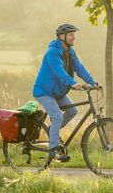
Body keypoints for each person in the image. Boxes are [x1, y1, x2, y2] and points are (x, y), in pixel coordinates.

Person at [33, 24, 98, 162]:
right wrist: (73, 84)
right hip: (44, 91)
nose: (74, 37)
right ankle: (54, 151)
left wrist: (93, 83)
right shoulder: (52, 53)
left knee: (73, 111)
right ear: (62, 37)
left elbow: (80, 68)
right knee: (57, 117)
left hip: (58, 92)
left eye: (74, 34)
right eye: (71, 35)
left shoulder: (70, 52)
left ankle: (53, 132)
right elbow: (59, 72)